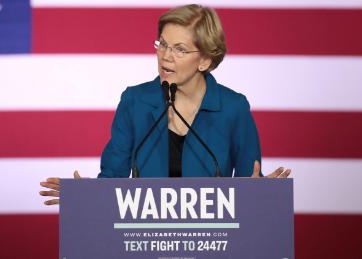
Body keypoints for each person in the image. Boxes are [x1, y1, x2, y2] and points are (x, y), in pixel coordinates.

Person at [40, 4, 291, 205]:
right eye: (162, 44)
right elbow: (112, 179)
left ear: (204, 60)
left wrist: (259, 197)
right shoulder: (135, 102)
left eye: (180, 49)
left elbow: (250, 185)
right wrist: (86, 196)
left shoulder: (233, 108)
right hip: (145, 241)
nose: (165, 56)